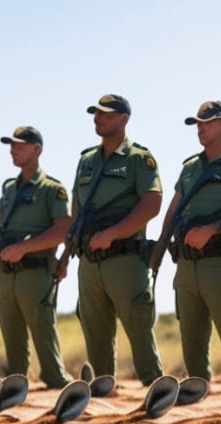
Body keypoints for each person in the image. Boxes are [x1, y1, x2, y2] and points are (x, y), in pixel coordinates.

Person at [161, 100, 221, 392]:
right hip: (187, 265)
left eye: (207, 122)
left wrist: (211, 230)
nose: (200, 129)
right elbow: (173, 210)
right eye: (198, 124)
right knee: (191, 343)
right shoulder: (191, 167)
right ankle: (196, 403)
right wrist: (159, 251)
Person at [70, 94, 164, 384]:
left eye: (107, 114)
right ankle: (102, 399)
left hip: (125, 260)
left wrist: (111, 234)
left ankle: (156, 394)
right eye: (96, 114)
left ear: (124, 119)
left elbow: (152, 203)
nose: (99, 119)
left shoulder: (138, 159)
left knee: (139, 329)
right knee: (95, 335)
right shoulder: (86, 161)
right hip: (89, 263)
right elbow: (76, 207)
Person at [0, 127, 72, 389]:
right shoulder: (9, 189)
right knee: (11, 338)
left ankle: (58, 385)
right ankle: (16, 388)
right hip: (6, 274)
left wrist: (24, 248)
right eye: (11, 145)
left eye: (19, 145)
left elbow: (63, 230)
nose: (13, 150)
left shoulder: (52, 189)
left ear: (37, 149)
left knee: (43, 332)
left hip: (35, 273)